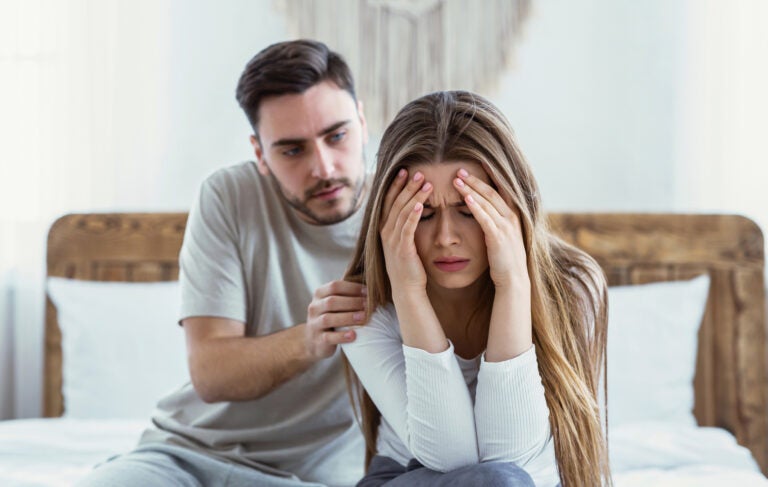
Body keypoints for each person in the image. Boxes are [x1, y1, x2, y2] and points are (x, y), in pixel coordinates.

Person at [78, 40, 369, 486]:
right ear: (260, 155)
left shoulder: (405, 208)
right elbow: (211, 372)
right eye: (292, 150)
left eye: (337, 135)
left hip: (314, 477)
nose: (324, 168)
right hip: (184, 457)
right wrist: (309, 340)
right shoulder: (227, 197)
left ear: (363, 123)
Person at [341, 91, 611, 487]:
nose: (446, 237)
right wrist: (409, 293)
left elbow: (511, 457)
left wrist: (514, 282)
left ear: (511, 206)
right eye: (424, 214)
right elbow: (452, 459)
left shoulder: (573, 288)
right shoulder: (366, 307)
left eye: (469, 211)